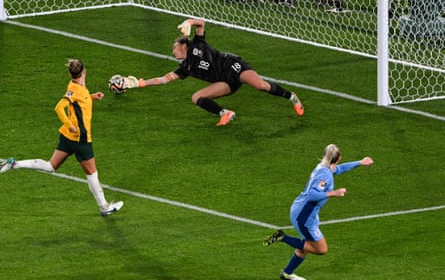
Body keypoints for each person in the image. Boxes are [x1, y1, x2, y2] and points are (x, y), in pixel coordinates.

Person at [123, 18, 304, 126]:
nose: (173, 51)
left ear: (184, 45)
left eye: (174, 47)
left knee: (261, 86)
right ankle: (224, 113)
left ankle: (292, 97)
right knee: (197, 97)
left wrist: (189, 22)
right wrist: (140, 83)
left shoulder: (196, 45)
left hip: (232, 66)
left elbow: (201, 24)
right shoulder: (185, 67)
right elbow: (164, 79)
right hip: (224, 82)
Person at [0, 59, 124, 217]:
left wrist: (92, 97)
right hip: (80, 138)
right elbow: (59, 107)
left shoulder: (74, 86)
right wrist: (70, 124)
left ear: (70, 74)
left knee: (51, 166)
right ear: (84, 72)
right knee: (92, 173)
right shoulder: (77, 89)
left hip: (67, 136)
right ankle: (104, 207)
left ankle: (14, 164)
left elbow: (77, 102)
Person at [263, 144, 374, 280]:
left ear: (324, 156)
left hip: (305, 212)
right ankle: (282, 237)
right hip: (304, 216)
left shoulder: (323, 167)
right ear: (339, 157)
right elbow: (312, 195)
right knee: (321, 249)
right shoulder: (325, 175)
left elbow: (339, 169)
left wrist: (360, 163)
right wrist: (334, 193)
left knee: (306, 247)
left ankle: (287, 273)